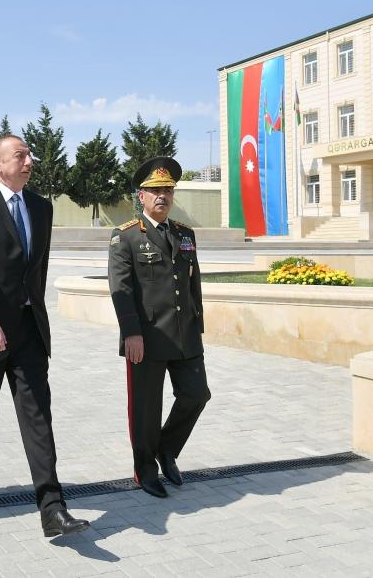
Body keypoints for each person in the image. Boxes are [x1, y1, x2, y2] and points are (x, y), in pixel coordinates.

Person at [0, 134, 89, 538]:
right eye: (20, 156)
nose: (29, 162)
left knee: (38, 417)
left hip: (27, 332)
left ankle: (52, 506)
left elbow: (35, 270)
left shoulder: (41, 208)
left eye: (29, 155)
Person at [107, 157, 211, 498]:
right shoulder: (125, 237)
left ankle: (166, 450)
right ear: (141, 196)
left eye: (167, 190)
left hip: (185, 334)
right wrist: (130, 333)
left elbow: (192, 285)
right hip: (147, 338)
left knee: (197, 395)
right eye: (154, 190)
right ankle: (146, 470)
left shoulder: (185, 234)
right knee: (146, 409)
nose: (161, 196)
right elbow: (120, 290)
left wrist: (198, 325)